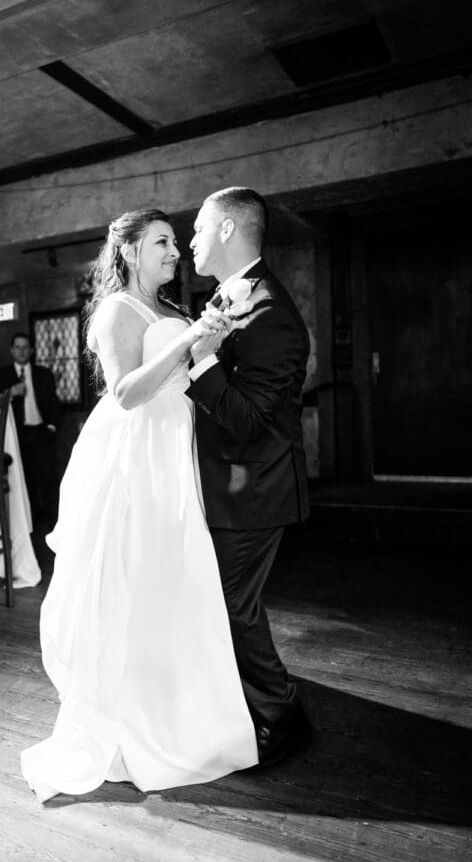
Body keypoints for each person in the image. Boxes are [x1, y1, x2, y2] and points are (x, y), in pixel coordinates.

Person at [20, 209, 258, 802]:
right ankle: (132, 723)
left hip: (175, 450)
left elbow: (188, 369)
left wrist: (209, 335)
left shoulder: (173, 311)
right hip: (134, 455)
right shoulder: (115, 311)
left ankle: (183, 714)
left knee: (176, 578)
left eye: (177, 242)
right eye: (162, 242)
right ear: (127, 251)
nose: (175, 251)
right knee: (137, 577)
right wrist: (186, 340)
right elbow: (126, 393)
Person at [187, 186, 312, 767]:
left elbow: (247, 420)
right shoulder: (228, 298)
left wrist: (203, 359)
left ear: (230, 230)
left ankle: (281, 715)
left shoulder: (269, 314)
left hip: (254, 486)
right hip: (227, 483)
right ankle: (242, 700)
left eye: (198, 229)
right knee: (224, 604)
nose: (191, 241)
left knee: (233, 606)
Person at [0, 333, 60, 522]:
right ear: (12, 350)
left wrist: (52, 427)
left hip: (41, 432)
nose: (21, 351)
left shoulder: (43, 373)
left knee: (48, 478)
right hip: (17, 435)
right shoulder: (2, 376)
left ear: (30, 350)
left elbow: (54, 402)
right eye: (17, 347)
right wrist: (10, 393)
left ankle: (54, 523)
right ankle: (30, 522)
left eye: (25, 347)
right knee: (24, 479)